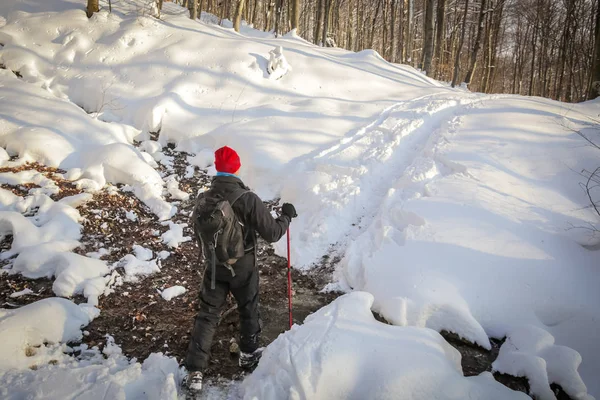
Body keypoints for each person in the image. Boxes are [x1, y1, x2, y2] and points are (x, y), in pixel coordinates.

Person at [183, 146, 297, 395]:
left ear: (217, 168)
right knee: (248, 307)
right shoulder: (247, 198)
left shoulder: (205, 198)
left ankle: (195, 371)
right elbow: (273, 233)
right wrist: (286, 217)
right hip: (243, 266)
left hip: (214, 266)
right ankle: (248, 354)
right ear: (236, 168)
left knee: (208, 315)